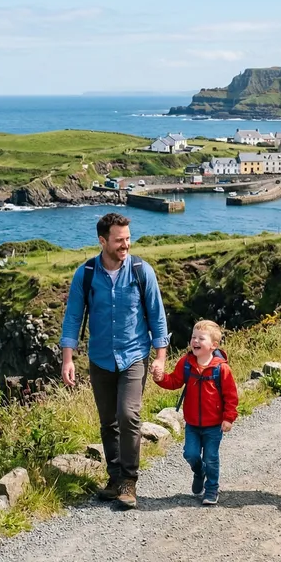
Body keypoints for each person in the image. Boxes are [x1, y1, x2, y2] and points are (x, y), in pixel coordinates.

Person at [60, 212, 169, 509]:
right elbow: (72, 318)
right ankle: (114, 477)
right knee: (108, 422)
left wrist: (160, 357)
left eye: (128, 239)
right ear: (102, 241)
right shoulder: (85, 273)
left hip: (135, 355)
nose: (125, 245)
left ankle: (129, 481)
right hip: (100, 358)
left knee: (128, 415)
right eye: (119, 240)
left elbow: (157, 316)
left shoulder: (140, 270)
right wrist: (68, 359)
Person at [152, 320, 238, 506]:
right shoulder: (186, 363)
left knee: (211, 458)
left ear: (213, 345)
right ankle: (199, 472)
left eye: (201, 338)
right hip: (192, 423)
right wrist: (160, 378)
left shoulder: (221, 369)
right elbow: (174, 381)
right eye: (193, 337)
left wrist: (228, 418)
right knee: (190, 454)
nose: (195, 341)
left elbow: (231, 396)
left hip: (214, 425)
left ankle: (212, 489)